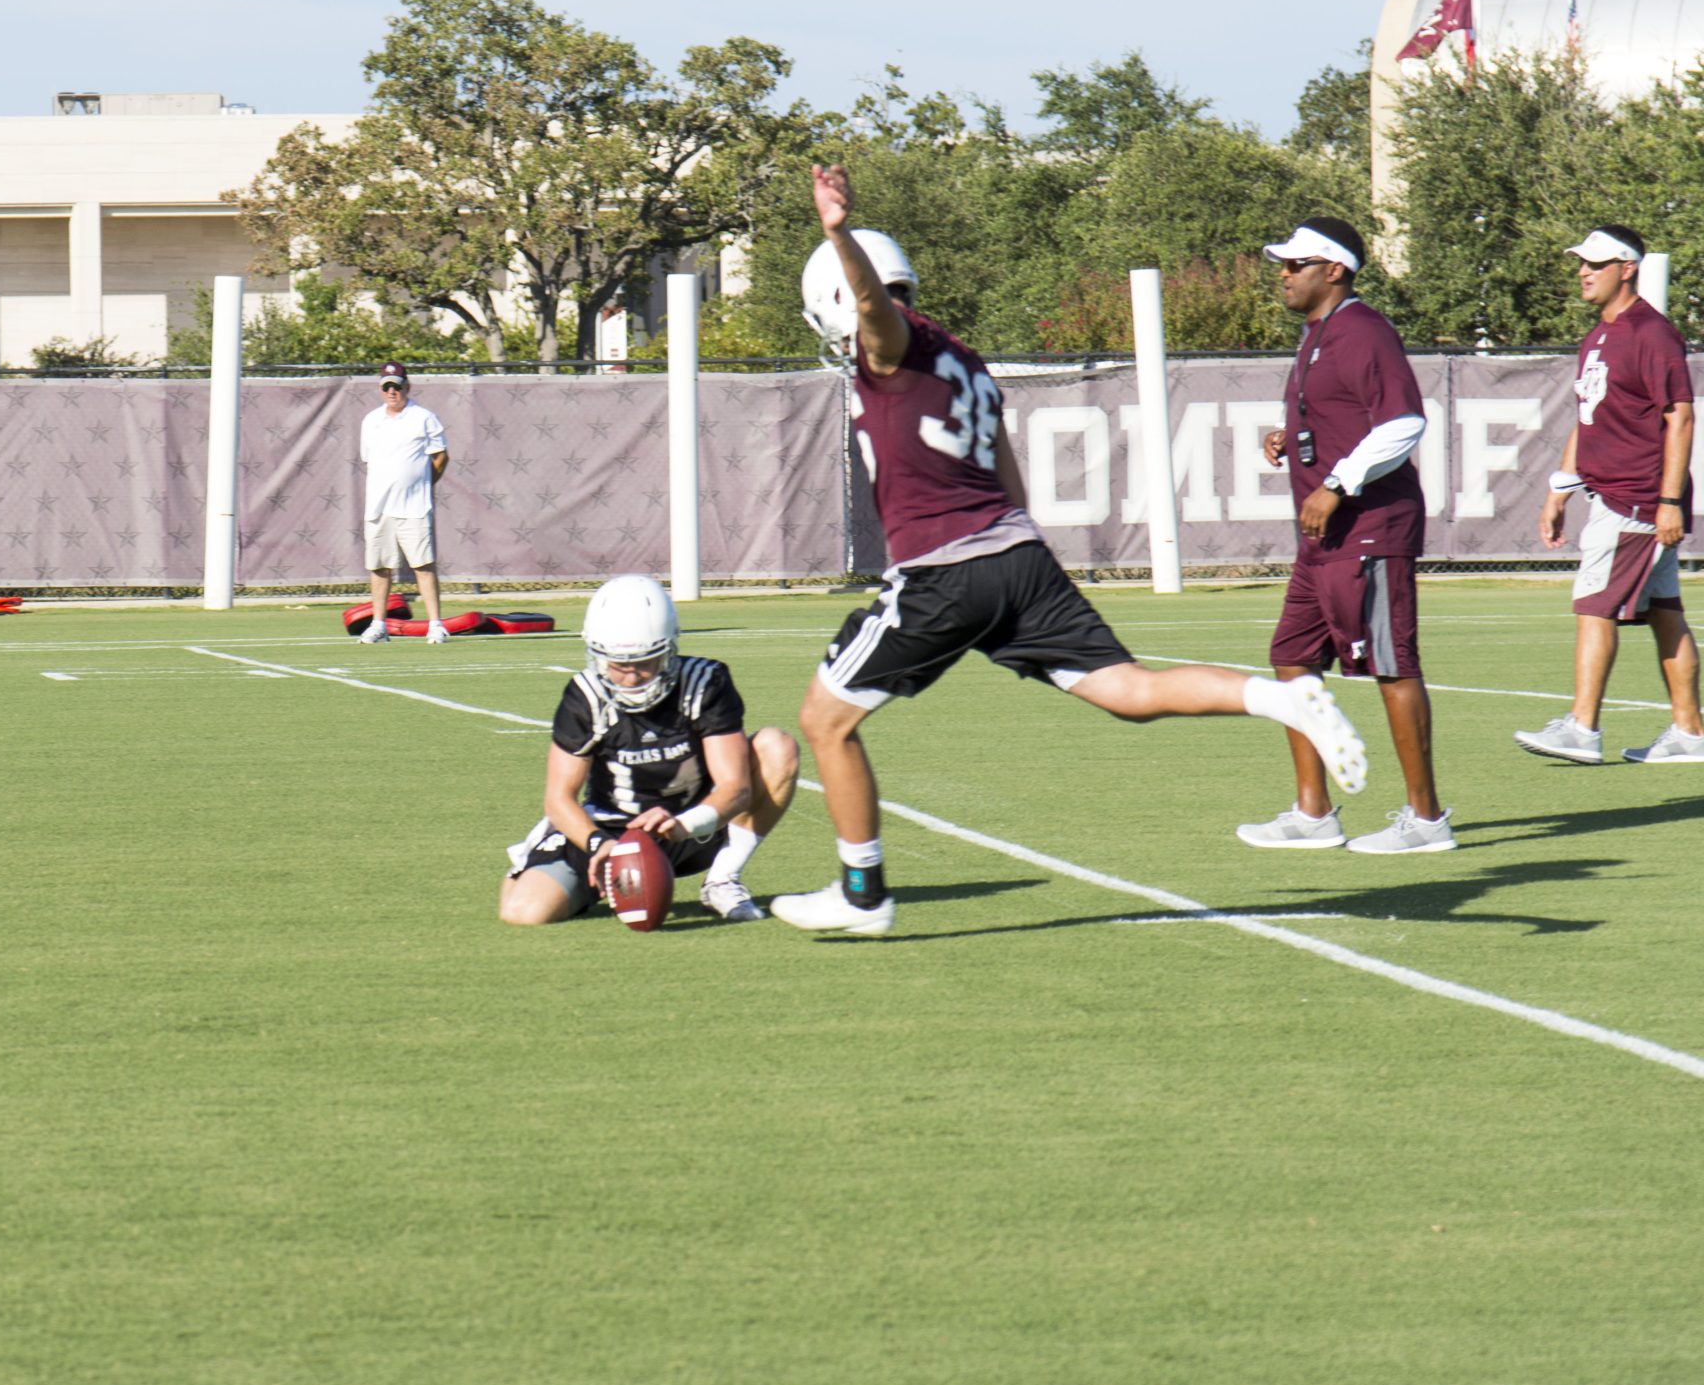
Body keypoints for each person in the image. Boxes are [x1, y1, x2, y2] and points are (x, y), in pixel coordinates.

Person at [768, 166, 1370, 936]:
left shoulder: (890, 342)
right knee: (1129, 692)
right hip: (1017, 557)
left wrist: (835, 233)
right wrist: (1012, 556)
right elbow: (1006, 469)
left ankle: (862, 894)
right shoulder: (964, 360)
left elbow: (874, 314)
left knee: (824, 722)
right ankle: (1277, 698)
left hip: (947, 568)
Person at [1239, 219, 1453, 853]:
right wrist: (1289, 438)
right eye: (1281, 263)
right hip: (1323, 539)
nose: (1283, 273)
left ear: (1334, 270)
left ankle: (1427, 821)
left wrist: (1337, 483)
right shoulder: (1319, 335)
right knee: (1293, 657)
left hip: (1367, 528)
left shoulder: (1363, 330)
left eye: (1295, 263)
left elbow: (1403, 423)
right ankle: (1313, 813)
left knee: (1391, 666)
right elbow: (1340, 417)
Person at [501, 575, 799, 924]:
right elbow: (558, 799)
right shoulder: (585, 696)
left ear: (669, 651)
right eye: (618, 664)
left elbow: (735, 788)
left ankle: (722, 878)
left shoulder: (705, 683)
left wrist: (684, 824)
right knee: (523, 911)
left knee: (776, 747)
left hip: (693, 824)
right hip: (612, 829)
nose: (631, 677)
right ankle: (597, 880)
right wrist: (601, 845)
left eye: (645, 662)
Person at [1514, 225, 1702, 764]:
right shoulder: (1598, 335)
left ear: (1627, 268)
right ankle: (1690, 733)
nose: (1583, 271)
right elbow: (1587, 418)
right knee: (1665, 612)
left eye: (1596, 263)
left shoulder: (1651, 333)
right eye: (1581, 262)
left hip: (1634, 500)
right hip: (1613, 496)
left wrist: (1668, 501)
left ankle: (1582, 727)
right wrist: (1560, 489)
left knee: (1595, 606)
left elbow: (1681, 417)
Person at [357, 361, 450, 643]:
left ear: (407, 387)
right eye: (387, 386)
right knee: (380, 566)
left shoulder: (424, 417)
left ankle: (435, 624)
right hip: (379, 507)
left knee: (423, 565)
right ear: (380, 389)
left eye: (397, 386)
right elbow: (368, 459)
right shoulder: (371, 420)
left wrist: (423, 483)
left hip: (414, 507)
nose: (392, 391)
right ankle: (379, 624)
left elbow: (441, 456)